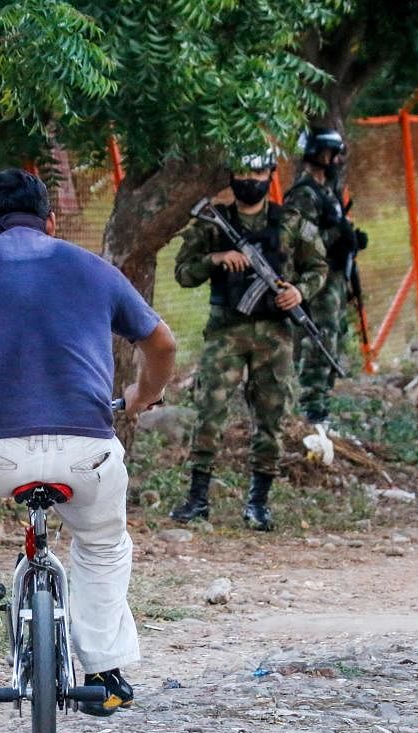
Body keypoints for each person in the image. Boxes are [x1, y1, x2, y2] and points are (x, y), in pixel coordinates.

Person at [0, 168, 175, 715]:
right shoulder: (95, 269)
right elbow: (161, 341)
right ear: (50, 223)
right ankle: (106, 674)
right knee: (103, 544)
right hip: (86, 450)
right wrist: (141, 395)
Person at [169, 152, 328, 531]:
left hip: (275, 336)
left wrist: (299, 293)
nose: (249, 179)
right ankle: (198, 498)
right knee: (210, 412)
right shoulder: (212, 221)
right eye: (242, 172)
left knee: (271, 417)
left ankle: (258, 503)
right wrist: (217, 258)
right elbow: (183, 273)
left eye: (257, 172)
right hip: (225, 333)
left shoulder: (290, 222)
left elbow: (319, 267)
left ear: (270, 175)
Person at [284, 126, 367, 425]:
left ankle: (322, 406)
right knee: (317, 343)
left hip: (333, 281)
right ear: (317, 155)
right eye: (331, 154)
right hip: (315, 282)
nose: (335, 161)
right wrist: (336, 236)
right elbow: (299, 241)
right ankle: (311, 409)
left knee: (332, 340)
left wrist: (352, 239)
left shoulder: (327, 193)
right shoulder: (304, 194)